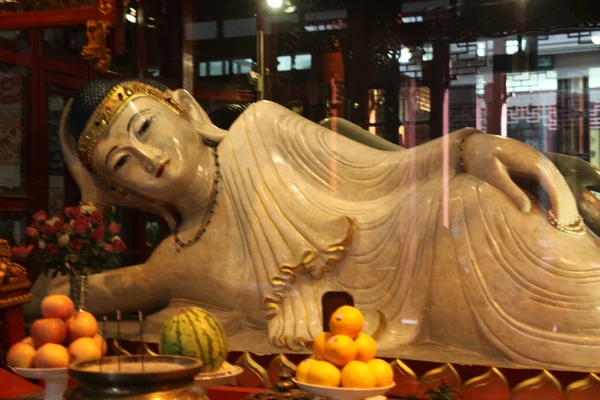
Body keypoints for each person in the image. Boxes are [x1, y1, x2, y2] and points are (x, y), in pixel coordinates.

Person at [27, 78, 600, 371]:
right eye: (122, 163)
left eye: (147, 128)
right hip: (394, 325)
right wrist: (80, 220)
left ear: (186, 111)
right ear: (124, 188)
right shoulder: (177, 260)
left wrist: (468, 147)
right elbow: (66, 301)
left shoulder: (262, 130)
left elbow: (385, 173)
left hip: (443, 231)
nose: (148, 158)